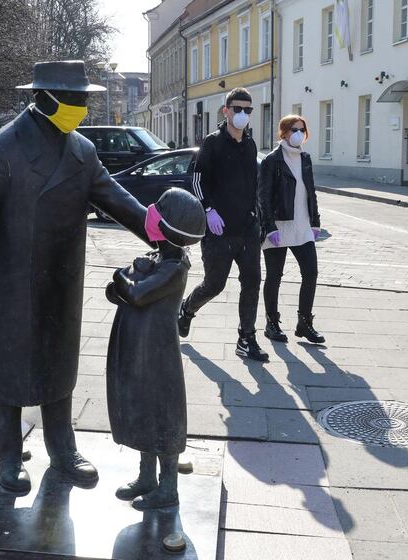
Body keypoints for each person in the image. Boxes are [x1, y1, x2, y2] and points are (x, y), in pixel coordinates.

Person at [0, 61, 150, 495]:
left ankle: (62, 450)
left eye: (84, 100)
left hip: (60, 277)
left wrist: (159, 230)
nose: (81, 108)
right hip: (10, 276)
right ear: (43, 98)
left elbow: (115, 199)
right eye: (75, 100)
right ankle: (7, 456)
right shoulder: (4, 147)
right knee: (7, 369)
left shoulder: (82, 150)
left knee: (58, 364)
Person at [105, 188, 206, 510]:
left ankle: (168, 487)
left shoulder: (175, 268)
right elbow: (120, 293)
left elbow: (135, 294)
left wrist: (122, 278)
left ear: (165, 228)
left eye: (157, 212)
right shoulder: (158, 259)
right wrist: (123, 283)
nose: (150, 213)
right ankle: (146, 477)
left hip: (157, 356)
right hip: (137, 350)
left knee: (161, 416)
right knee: (140, 412)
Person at [177, 87, 268, 361]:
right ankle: (187, 309)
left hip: (247, 230)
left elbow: (254, 185)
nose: (242, 114)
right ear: (226, 111)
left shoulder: (250, 144)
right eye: (237, 109)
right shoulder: (212, 143)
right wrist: (208, 210)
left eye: (247, 110)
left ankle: (246, 338)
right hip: (218, 232)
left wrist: (259, 219)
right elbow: (196, 180)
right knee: (214, 285)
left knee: (252, 281)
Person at [258, 114, 325, 344]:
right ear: (284, 132)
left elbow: (311, 191)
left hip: (302, 225)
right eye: (295, 129)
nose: (299, 133)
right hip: (278, 227)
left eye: (302, 130)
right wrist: (268, 227)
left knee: (311, 272)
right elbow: (263, 197)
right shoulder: (271, 160)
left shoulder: (305, 158)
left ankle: (304, 322)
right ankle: (271, 323)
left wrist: (315, 221)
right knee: (274, 276)